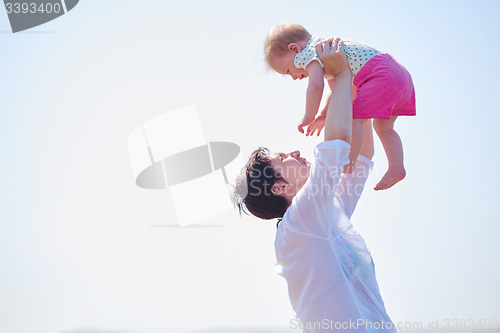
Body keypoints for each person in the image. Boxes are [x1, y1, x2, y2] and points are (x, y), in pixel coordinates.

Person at [233, 38, 396, 332]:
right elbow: (336, 144)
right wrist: (342, 74)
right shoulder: (298, 223)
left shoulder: (324, 213)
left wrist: (357, 87)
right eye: (282, 157)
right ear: (279, 188)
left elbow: (361, 158)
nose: (294, 152)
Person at [263, 23, 416, 190]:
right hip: (399, 74)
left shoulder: (308, 53)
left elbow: (316, 86)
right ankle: (396, 167)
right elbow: (335, 90)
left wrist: (308, 116)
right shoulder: (326, 52)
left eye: (287, 71)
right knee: (384, 128)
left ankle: (350, 159)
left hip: (380, 76)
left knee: (352, 119)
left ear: (294, 49)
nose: (292, 77)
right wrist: (322, 115)